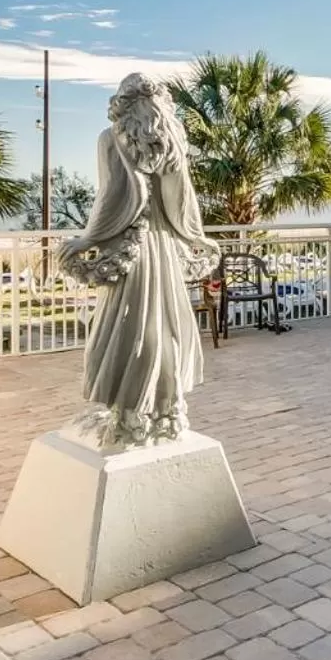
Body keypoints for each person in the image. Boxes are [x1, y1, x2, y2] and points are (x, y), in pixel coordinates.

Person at [61, 74, 220, 448]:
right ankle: (164, 408)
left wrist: (90, 238)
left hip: (132, 248)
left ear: (123, 103)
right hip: (162, 246)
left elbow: (110, 196)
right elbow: (180, 199)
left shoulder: (111, 138)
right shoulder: (170, 140)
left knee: (129, 326)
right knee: (163, 326)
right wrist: (194, 235)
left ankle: (130, 411)